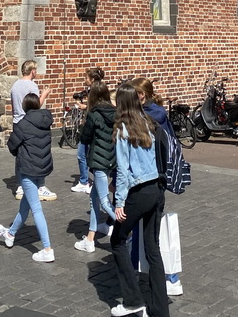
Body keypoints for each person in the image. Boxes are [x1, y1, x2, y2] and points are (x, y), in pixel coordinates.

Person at [109, 82, 167, 317]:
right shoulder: (147, 122)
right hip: (156, 190)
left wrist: (119, 202)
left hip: (138, 192)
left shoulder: (123, 128)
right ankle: (160, 310)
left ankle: (133, 299)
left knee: (117, 240)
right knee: (153, 249)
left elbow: (123, 170)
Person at [133, 77, 184, 297]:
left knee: (153, 232)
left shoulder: (150, 117)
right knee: (146, 229)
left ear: (142, 95)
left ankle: (169, 277)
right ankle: (138, 265)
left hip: (151, 178)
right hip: (156, 178)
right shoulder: (158, 114)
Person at [0, 92, 55, 262]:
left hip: (28, 168)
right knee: (26, 204)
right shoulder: (46, 120)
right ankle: (10, 233)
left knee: (36, 209)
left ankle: (47, 248)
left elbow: (12, 145)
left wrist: (18, 152)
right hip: (42, 167)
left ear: (25, 106)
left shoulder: (23, 124)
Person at [74, 80, 116, 253]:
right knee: (94, 197)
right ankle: (90, 238)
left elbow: (85, 137)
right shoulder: (116, 111)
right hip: (112, 157)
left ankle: (131, 232)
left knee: (105, 202)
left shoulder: (94, 114)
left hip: (99, 159)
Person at [10, 60, 56, 202]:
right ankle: (40, 185)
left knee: (20, 155)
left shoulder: (15, 85)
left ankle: (20, 185)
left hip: (18, 121)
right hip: (31, 122)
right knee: (36, 153)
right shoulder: (32, 85)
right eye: (35, 69)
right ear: (32, 71)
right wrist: (45, 94)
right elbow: (36, 104)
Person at [72, 65, 105, 195]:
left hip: (90, 128)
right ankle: (86, 180)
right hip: (92, 126)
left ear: (91, 79)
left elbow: (95, 108)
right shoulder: (97, 90)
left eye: (86, 77)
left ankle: (85, 181)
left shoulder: (95, 91)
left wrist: (83, 107)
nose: (84, 79)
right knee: (86, 154)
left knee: (82, 154)